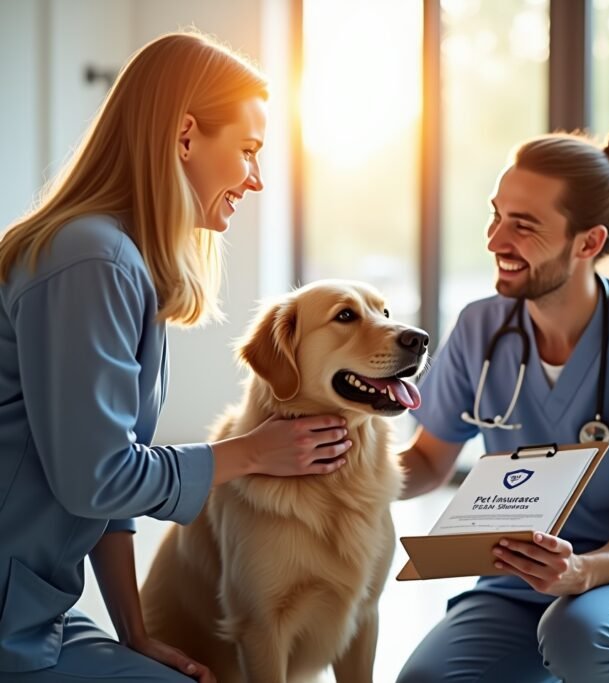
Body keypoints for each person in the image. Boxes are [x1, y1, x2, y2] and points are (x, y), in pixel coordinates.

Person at [0, 31, 351, 683]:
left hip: (38, 607)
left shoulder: (120, 260)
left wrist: (136, 632)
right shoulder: (92, 259)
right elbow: (97, 478)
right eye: (247, 151)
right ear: (185, 136)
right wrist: (251, 451)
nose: (256, 178)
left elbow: (100, 491)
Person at [396, 130, 609, 683]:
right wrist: (334, 471)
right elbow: (428, 462)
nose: (496, 239)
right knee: (425, 681)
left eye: (523, 225)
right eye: (496, 215)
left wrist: (581, 572)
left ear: (588, 243)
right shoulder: (481, 328)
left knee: (580, 635)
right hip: (522, 580)